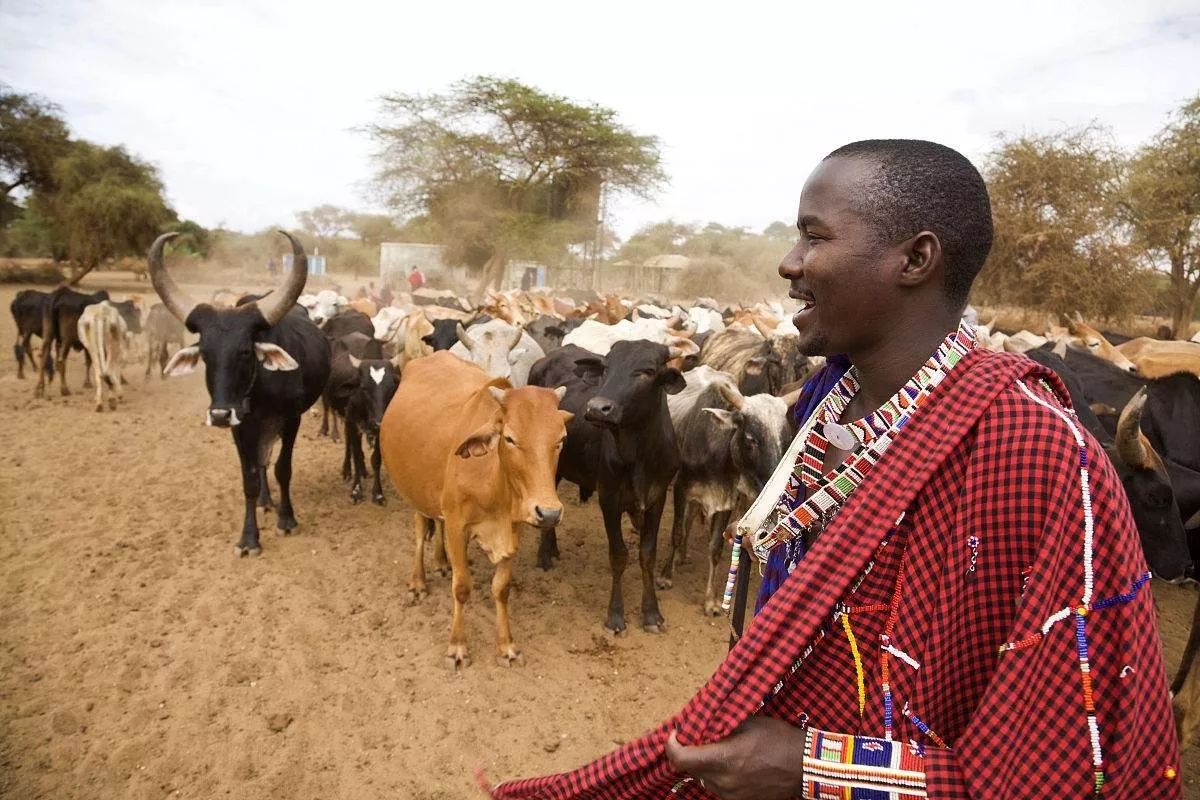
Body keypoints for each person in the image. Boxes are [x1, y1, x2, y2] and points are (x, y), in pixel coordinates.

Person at [486, 141, 1180, 799]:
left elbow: (1068, 770)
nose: (789, 263)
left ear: (915, 259)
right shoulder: (824, 402)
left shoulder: (1036, 454)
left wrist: (815, 770)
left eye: (814, 237)